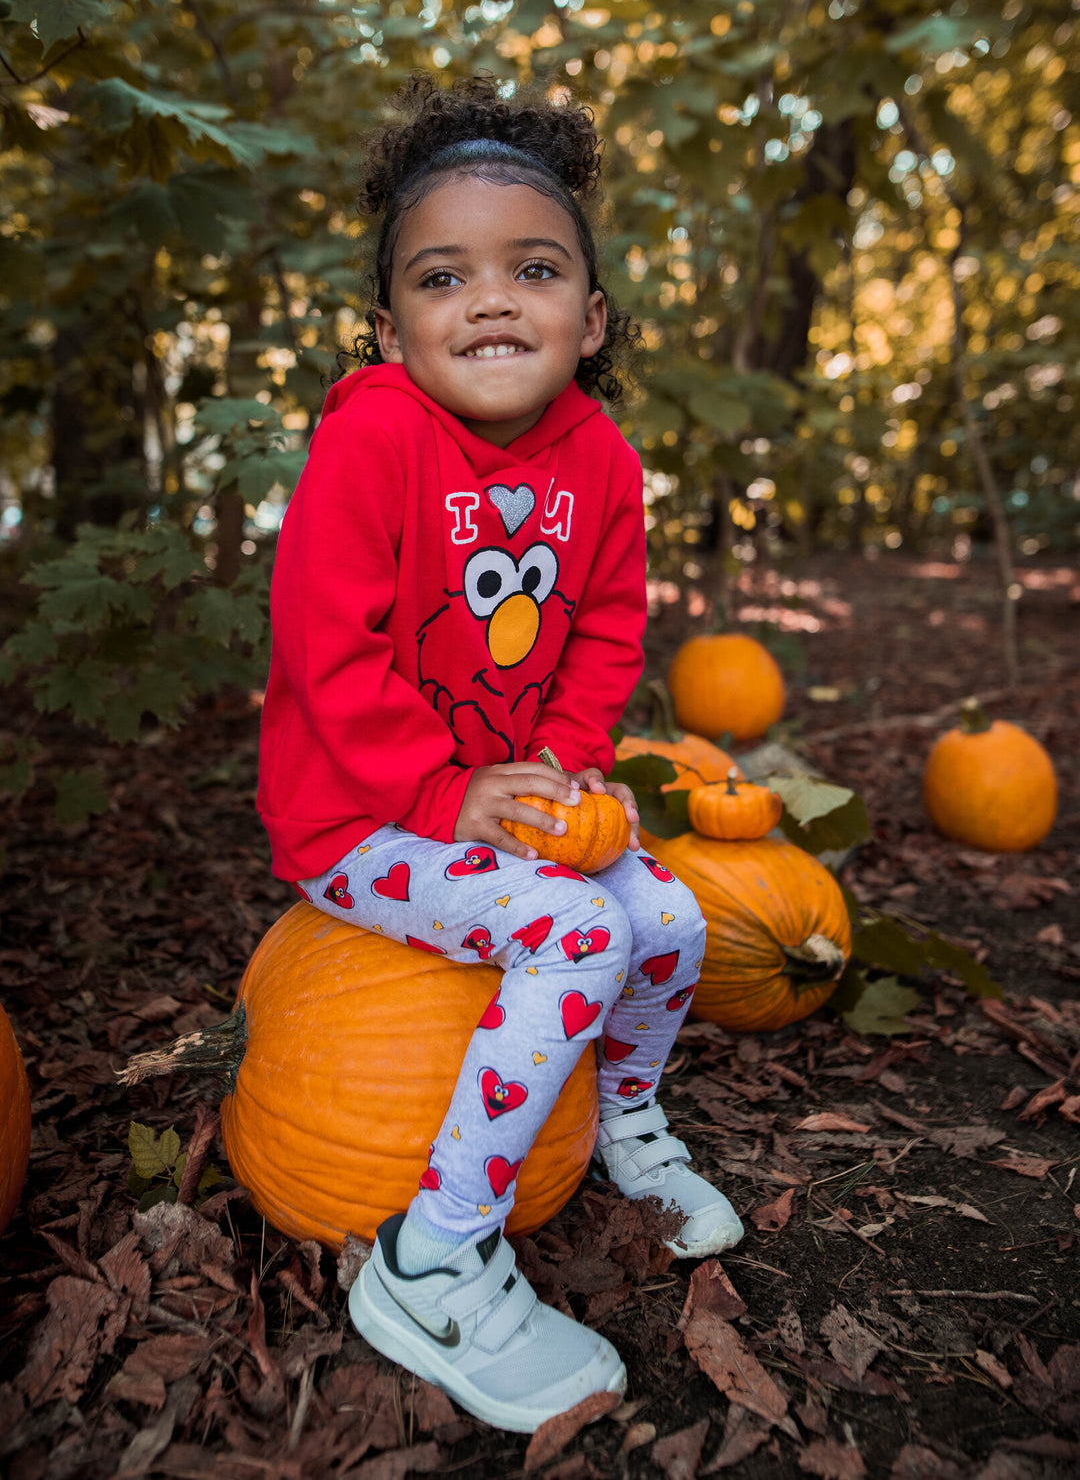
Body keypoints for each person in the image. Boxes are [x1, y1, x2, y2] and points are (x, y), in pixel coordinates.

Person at [257, 74, 743, 1434]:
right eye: (441, 275)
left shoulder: (606, 466)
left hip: (500, 806)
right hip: (358, 822)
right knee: (580, 936)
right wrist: (444, 794)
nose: (488, 300)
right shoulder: (371, 445)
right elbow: (326, 653)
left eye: (531, 269)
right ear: (390, 326)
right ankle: (435, 1255)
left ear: (589, 320)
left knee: (670, 912)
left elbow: (602, 631)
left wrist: (572, 764)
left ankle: (630, 1128)